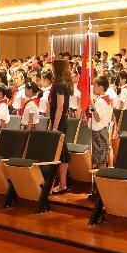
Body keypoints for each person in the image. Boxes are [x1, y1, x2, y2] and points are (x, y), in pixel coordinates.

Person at [48, 59, 73, 193]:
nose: (52, 70)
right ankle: (63, 184)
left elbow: (60, 107)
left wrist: (54, 128)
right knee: (62, 153)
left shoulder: (60, 85)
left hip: (60, 122)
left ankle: (62, 185)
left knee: (62, 153)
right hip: (60, 121)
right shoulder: (62, 84)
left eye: (53, 68)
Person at [89, 75, 114, 167]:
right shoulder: (107, 99)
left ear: (101, 87)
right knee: (101, 159)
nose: (93, 88)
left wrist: (92, 105)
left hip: (98, 132)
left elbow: (97, 118)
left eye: (95, 85)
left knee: (100, 161)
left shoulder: (100, 101)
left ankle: (101, 176)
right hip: (103, 130)